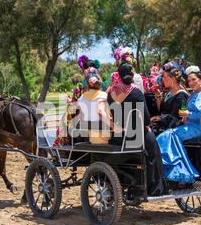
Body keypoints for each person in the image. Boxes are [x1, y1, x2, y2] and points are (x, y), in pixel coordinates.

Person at [107, 63, 164, 195]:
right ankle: (153, 186)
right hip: (135, 137)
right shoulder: (136, 92)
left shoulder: (110, 93)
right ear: (132, 75)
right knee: (152, 142)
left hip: (118, 138)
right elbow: (145, 119)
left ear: (119, 76)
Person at [156, 66, 201, 185]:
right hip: (189, 127)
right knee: (170, 134)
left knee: (168, 135)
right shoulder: (193, 94)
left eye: (194, 80)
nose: (191, 83)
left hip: (196, 129)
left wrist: (188, 114)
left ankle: (181, 170)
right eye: (189, 81)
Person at [76, 74, 114, 145]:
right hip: (104, 132)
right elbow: (101, 112)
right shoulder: (104, 95)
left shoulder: (82, 97)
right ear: (99, 84)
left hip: (89, 132)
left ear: (88, 85)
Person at [151, 67, 189, 131]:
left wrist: (159, 118)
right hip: (164, 126)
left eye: (165, 77)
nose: (163, 79)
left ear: (173, 79)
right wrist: (158, 96)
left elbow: (176, 120)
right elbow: (162, 110)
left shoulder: (181, 96)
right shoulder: (169, 92)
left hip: (171, 131)